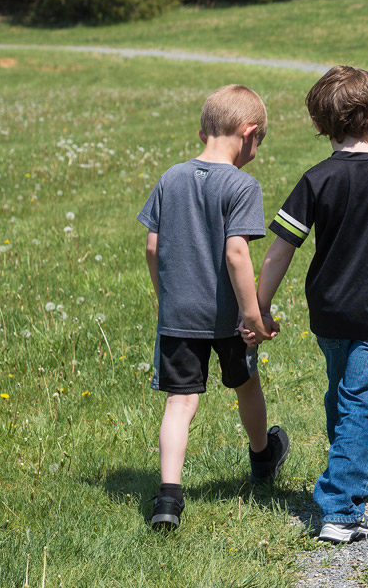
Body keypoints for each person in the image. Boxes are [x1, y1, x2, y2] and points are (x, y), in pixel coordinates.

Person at [252, 66, 368, 542]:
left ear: (320, 125)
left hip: (329, 311)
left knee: (343, 393)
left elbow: (280, 249)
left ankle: (352, 474)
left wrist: (259, 306)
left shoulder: (317, 178)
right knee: (358, 403)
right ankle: (340, 509)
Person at [138, 84, 288, 531]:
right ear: (249, 133)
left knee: (180, 402)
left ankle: (168, 498)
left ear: (203, 130)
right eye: (257, 145)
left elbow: (152, 245)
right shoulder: (242, 184)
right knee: (246, 385)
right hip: (228, 318)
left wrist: (166, 298)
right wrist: (251, 317)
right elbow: (237, 253)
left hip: (179, 315)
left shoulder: (171, 177)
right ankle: (262, 458)